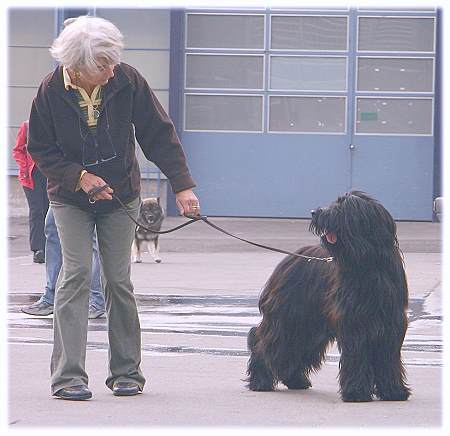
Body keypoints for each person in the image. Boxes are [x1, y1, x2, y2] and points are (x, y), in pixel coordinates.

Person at [27, 15, 199, 401]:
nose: (111, 70)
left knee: (118, 281)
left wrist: (183, 185)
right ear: (76, 65)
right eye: (102, 65)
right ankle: (68, 377)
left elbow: (158, 132)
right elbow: (39, 149)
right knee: (74, 277)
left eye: (112, 61)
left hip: (121, 194)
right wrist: (80, 177)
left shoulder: (127, 79)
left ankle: (127, 373)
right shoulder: (50, 90)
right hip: (71, 198)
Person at [20, 207, 106, 319]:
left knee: (94, 235)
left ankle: (97, 300)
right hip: (66, 191)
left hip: (95, 194)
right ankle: (52, 297)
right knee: (53, 225)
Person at [12, 120, 48, 263]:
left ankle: (50, 247)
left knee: (49, 211)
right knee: (37, 210)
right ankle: (38, 249)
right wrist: (25, 168)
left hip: (50, 173)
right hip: (31, 176)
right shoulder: (27, 126)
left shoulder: (53, 123)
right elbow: (18, 150)